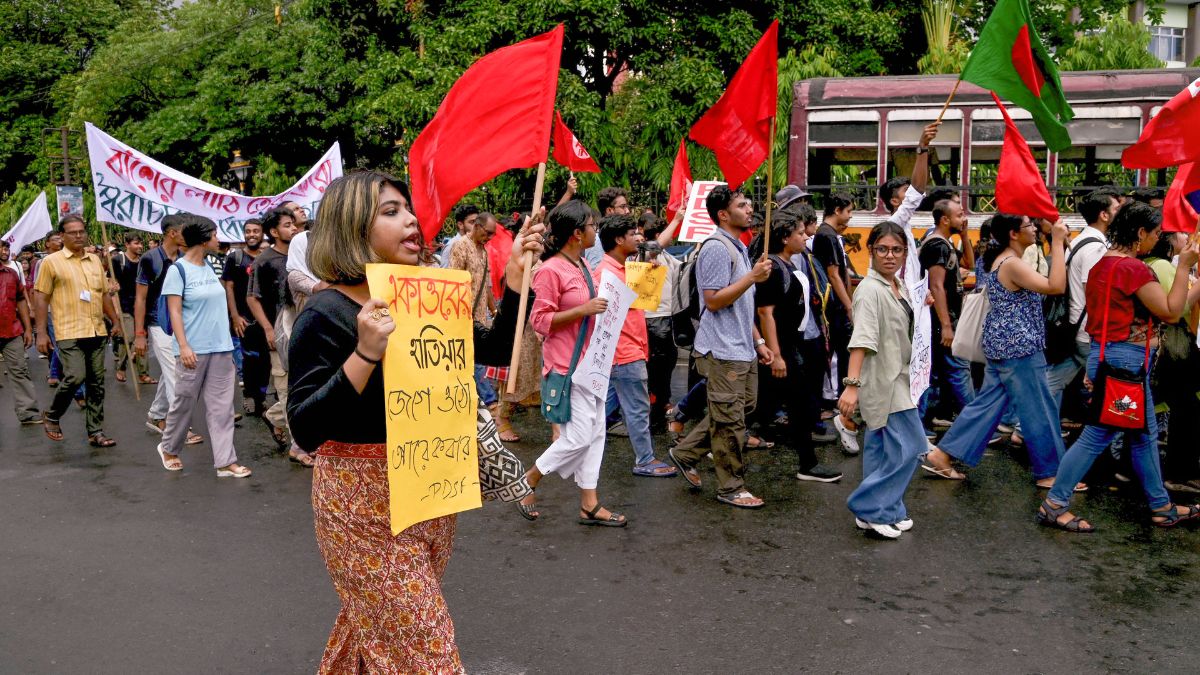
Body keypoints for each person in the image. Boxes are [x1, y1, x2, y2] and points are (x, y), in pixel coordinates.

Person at [287, 171, 543, 671]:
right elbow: (304, 427)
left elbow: (490, 349)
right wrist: (364, 353)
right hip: (359, 503)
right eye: (390, 212)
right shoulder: (325, 312)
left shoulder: (421, 296)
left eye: (408, 210)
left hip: (429, 487)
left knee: (376, 624)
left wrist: (514, 283)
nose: (411, 221)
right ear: (353, 227)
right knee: (425, 645)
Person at [1037, 203, 1200, 532]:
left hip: (1106, 358)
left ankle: (1161, 506)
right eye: (1155, 234)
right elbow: (1170, 311)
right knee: (1096, 436)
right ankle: (1054, 504)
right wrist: (1184, 267)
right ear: (1140, 233)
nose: (1157, 240)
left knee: (1144, 436)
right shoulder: (1134, 269)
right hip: (1126, 364)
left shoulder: (1103, 264)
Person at [923, 214, 1076, 489]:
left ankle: (942, 454)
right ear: (1014, 234)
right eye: (1029, 226)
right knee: (1039, 408)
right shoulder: (1012, 263)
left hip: (1004, 344)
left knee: (986, 406)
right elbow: (1056, 286)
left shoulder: (1004, 259)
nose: (1034, 229)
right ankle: (1051, 473)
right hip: (1019, 345)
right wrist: (1057, 241)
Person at [516, 200, 627, 525]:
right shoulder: (551, 270)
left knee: (595, 434)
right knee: (577, 437)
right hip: (566, 367)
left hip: (589, 366)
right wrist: (583, 310)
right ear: (577, 233)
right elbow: (540, 321)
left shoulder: (582, 267)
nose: (596, 230)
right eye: (592, 225)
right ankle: (529, 480)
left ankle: (589, 503)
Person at [667, 185, 774, 509]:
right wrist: (751, 278)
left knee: (740, 408)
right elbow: (713, 301)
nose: (750, 208)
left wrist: (758, 341)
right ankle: (731, 486)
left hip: (742, 347)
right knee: (730, 421)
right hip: (722, 350)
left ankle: (686, 453)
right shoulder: (716, 248)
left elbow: (741, 303)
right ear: (724, 214)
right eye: (742, 204)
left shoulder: (737, 247)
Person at [838, 222, 926, 538]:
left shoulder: (896, 286)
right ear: (871, 251)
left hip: (898, 378)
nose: (890, 256)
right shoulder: (870, 290)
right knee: (913, 446)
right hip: (885, 383)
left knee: (881, 448)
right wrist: (851, 386)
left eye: (897, 250)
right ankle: (869, 506)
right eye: (883, 249)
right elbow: (862, 339)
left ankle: (884, 510)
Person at [155, 217, 250, 478]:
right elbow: (174, 311)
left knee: (222, 407)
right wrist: (183, 346)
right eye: (215, 235)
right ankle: (169, 448)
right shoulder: (179, 270)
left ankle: (225, 462)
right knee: (184, 403)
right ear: (204, 239)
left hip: (220, 347)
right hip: (192, 350)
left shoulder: (211, 266)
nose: (219, 240)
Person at [754, 211, 842, 483]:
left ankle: (808, 463)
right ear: (784, 237)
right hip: (782, 349)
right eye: (800, 233)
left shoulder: (789, 263)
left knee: (769, 406)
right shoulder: (772, 267)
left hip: (794, 346)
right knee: (772, 405)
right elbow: (765, 313)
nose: (806, 237)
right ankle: (694, 448)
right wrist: (776, 355)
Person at [593, 213, 677, 477]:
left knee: (605, 408)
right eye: (632, 235)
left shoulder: (623, 268)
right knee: (638, 408)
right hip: (624, 351)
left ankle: (576, 446)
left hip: (630, 348)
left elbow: (640, 301)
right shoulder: (607, 273)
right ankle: (644, 459)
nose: (638, 238)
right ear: (619, 239)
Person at [34, 216, 123, 446]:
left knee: (97, 383)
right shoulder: (51, 263)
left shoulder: (94, 260)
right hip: (68, 330)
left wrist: (115, 320)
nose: (78, 236)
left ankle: (95, 431)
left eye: (82, 231)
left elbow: (102, 293)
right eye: (72, 232)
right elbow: (41, 297)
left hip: (96, 329)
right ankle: (52, 415)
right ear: (62, 236)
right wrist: (41, 332)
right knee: (75, 375)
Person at [134, 214, 201, 445]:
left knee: (169, 371)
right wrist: (139, 334)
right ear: (173, 233)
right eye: (184, 231)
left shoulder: (185, 258)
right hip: (158, 323)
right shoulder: (150, 259)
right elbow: (140, 299)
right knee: (177, 372)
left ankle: (157, 415)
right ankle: (179, 426)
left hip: (183, 323)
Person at [1144, 228, 1200, 493]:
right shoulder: (1164, 267)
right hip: (1172, 349)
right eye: (1179, 233)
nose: (1186, 236)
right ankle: (1177, 474)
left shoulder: (1152, 264)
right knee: (1184, 408)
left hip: (1160, 348)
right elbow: (1174, 310)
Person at [247, 206, 304, 462]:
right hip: (279, 332)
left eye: (294, 224)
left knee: (304, 385)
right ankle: (299, 448)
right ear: (273, 231)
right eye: (286, 225)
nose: (293, 228)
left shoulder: (300, 254)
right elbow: (252, 298)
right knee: (286, 386)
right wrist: (269, 329)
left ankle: (274, 416)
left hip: (303, 327)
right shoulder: (264, 260)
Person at [917, 198, 976, 432]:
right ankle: (974, 423)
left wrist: (964, 235)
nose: (964, 218)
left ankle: (921, 424)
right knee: (958, 369)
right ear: (945, 219)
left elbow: (969, 263)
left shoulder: (947, 243)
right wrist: (947, 325)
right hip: (942, 321)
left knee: (935, 372)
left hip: (944, 320)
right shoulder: (937, 246)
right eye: (960, 215)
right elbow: (937, 286)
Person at [449, 210, 502, 415]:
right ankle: (491, 402)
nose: (489, 238)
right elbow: (454, 281)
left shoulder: (484, 250)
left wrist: (493, 309)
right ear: (477, 226)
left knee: (475, 358)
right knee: (475, 359)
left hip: (480, 315)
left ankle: (478, 402)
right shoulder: (461, 245)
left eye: (492, 235)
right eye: (487, 233)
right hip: (463, 314)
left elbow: (486, 285)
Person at [224, 219, 269, 414]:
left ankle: (261, 397)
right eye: (248, 231)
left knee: (267, 360)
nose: (251, 235)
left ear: (263, 234)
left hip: (267, 319)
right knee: (249, 359)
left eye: (256, 231)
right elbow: (229, 287)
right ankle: (249, 396)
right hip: (244, 320)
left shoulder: (268, 257)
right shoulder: (235, 258)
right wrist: (235, 316)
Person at [0, 240, 40, 425]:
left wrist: (28, 329)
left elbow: (21, 301)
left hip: (11, 330)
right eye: (1, 247)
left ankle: (28, 413)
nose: (4, 251)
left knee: (19, 370)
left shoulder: (11, 274)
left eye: (6, 247)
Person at [110, 233, 152, 384]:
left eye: (141, 244)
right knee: (128, 338)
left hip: (142, 306)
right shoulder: (117, 260)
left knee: (142, 338)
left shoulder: (145, 261)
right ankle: (121, 368)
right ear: (127, 244)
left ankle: (144, 373)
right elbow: (112, 285)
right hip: (124, 306)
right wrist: (115, 309)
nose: (140, 246)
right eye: (136, 243)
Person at [583, 186, 632, 266]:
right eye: (623, 207)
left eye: (627, 206)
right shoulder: (596, 240)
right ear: (609, 210)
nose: (627, 211)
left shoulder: (625, 236)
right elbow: (598, 276)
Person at [438, 203, 479, 268]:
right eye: (472, 222)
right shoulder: (451, 246)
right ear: (460, 225)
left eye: (477, 222)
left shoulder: (476, 244)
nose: (476, 226)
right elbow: (444, 275)